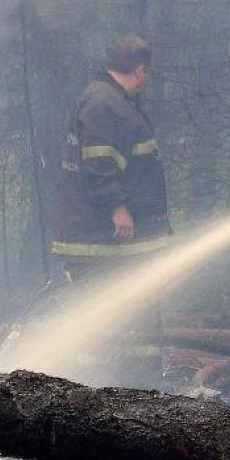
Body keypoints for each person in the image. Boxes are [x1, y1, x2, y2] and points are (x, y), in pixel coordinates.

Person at [50, 34, 171, 385]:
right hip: (101, 238)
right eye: (147, 72)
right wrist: (117, 208)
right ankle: (93, 386)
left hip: (115, 240)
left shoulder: (112, 100)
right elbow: (99, 162)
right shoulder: (105, 104)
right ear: (140, 69)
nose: (147, 79)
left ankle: (135, 386)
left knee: (136, 312)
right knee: (104, 315)